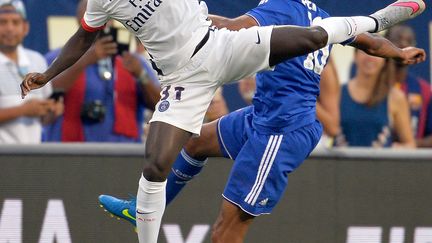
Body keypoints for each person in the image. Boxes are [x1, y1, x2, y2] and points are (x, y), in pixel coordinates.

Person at [20, 0, 425, 241]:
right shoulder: (313, 9)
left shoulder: (277, 7)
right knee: (192, 144)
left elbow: (234, 27)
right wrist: (398, 53)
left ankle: (377, 15)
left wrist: (196, 24)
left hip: (281, 130)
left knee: (225, 229)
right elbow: (370, 44)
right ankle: (138, 209)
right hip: (257, 115)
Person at [43, 0, 160, 142]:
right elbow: (47, 95)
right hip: (72, 151)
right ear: (78, 22)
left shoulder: (133, 61)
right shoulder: (57, 58)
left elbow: (160, 106)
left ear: (112, 19)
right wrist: (84, 60)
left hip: (122, 152)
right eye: (90, 18)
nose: (96, 23)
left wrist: (141, 75)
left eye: (102, 17)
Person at [0, 0, 62, 144]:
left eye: (15, 22)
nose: (9, 29)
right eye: (3, 22)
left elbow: (43, 120)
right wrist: (22, 111)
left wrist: (52, 111)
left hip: (33, 156)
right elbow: (28, 110)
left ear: (25, 28)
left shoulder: (37, 60)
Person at [336, 49, 416, 147]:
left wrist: (394, 150)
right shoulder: (337, 93)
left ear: (384, 61)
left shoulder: (395, 97)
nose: (370, 57)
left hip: (382, 162)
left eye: (376, 53)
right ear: (355, 56)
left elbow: (410, 144)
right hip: (340, 162)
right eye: (364, 51)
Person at [385, 24, 432, 147]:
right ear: (384, 43)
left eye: (409, 41)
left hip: (410, 163)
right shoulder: (371, 88)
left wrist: (408, 145)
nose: (404, 44)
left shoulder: (424, 90)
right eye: (397, 39)